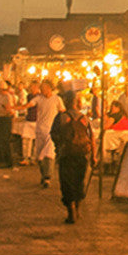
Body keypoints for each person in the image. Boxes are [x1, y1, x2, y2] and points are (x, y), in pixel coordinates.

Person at [50, 91, 96, 224]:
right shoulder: (84, 118)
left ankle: (71, 212)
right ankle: (78, 209)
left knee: (67, 182)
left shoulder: (61, 117)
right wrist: (93, 156)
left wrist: (59, 145)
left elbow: (53, 135)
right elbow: (91, 137)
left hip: (67, 154)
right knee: (79, 180)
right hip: (82, 153)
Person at [30, 79, 64, 188]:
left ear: (49, 88)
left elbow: (62, 111)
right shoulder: (38, 99)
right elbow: (28, 105)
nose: (42, 90)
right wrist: (12, 107)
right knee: (39, 156)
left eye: (44, 88)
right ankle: (43, 175)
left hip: (52, 131)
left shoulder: (57, 99)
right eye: (41, 88)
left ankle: (48, 177)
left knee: (49, 155)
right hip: (40, 130)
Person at [20, 79, 41, 165]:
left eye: (33, 86)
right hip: (29, 119)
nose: (32, 88)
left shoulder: (40, 96)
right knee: (26, 140)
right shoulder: (29, 96)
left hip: (37, 120)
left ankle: (34, 158)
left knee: (36, 141)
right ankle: (26, 157)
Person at [0, 80, 17, 168]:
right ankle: (1, 158)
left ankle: (7, 160)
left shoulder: (7, 96)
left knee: (4, 140)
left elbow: (10, 110)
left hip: (5, 119)